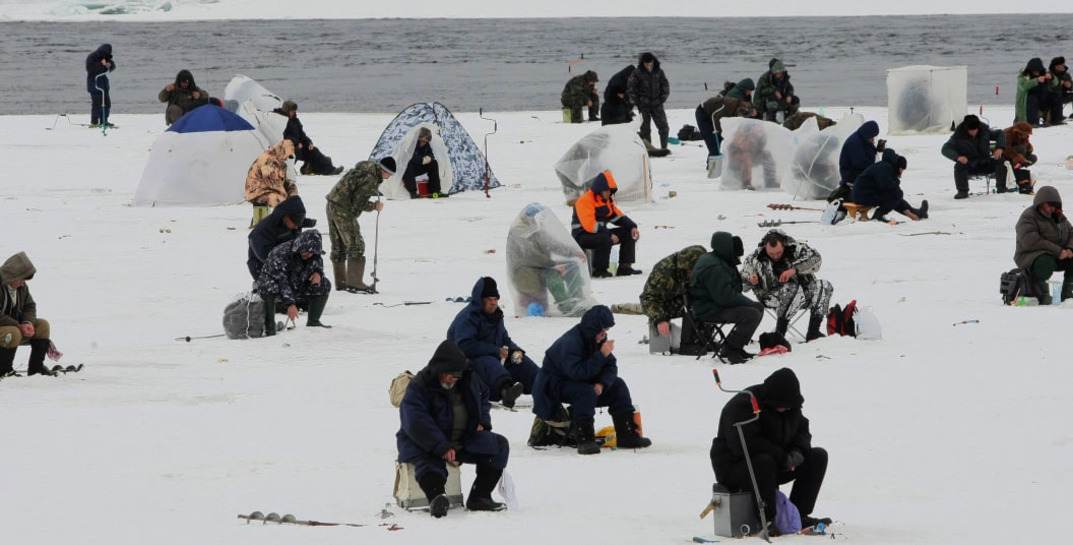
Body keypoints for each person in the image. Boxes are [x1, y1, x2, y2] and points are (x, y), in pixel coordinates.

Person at [396, 340, 509, 517]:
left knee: (499, 446)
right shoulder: (419, 386)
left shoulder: (468, 378)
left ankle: (480, 497)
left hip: (462, 438)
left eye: (457, 375)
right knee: (429, 462)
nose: (453, 379)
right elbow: (416, 421)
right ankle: (437, 497)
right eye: (449, 374)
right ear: (439, 370)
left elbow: (484, 395)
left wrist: (483, 421)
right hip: (425, 441)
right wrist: (441, 445)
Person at [710, 368, 831, 534]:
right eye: (781, 405)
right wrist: (782, 458)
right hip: (736, 467)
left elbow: (803, 431)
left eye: (789, 406)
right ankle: (767, 519)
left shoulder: (791, 406)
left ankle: (797, 515)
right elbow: (745, 445)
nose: (785, 409)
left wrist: (797, 452)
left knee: (818, 457)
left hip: (774, 465)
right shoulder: (744, 404)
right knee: (763, 461)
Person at [532, 305, 651, 455]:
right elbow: (577, 373)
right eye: (602, 331)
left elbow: (611, 366)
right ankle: (585, 439)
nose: (604, 334)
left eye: (606, 331)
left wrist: (602, 383)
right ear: (592, 328)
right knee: (585, 392)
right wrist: (601, 355)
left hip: (578, 381)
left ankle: (626, 436)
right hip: (553, 385)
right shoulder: (570, 342)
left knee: (618, 385)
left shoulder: (597, 339)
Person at [447, 277, 541, 408]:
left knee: (519, 360)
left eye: (495, 299)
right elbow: (464, 346)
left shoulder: (496, 317)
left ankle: (545, 386)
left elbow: (505, 340)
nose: (493, 303)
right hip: (467, 367)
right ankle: (506, 391)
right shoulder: (467, 318)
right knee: (488, 361)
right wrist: (495, 351)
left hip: (494, 361)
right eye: (489, 299)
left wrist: (516, 351)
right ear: (480, 300)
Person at [506, 202, 594, 317]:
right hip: (526, 271)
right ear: (528, 216)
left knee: (572, 266)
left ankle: (578, 301)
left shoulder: (535, 228)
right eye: (535, 215)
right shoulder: (519, 231)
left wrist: (574, 252)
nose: (539, 218)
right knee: (553, 275)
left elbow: (552, 244)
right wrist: (553, 265)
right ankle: (566, 307)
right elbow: (531, 256)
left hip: (542, 265)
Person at [741, 230, 832, 341]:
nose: (775, 256)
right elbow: (742, 277)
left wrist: (794, 270)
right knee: (791, 288)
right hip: (772, 297)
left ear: (783, 245)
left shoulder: (795, 248)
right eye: (771, 254)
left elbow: (816, 258)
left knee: (824, 285)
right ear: (765, 247)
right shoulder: (754, 259)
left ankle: (813, 331)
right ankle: (779, 334)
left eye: (779, 253)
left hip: (802, 293)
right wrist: (750, 278)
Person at [689, 232, 763, 364]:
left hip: (714, 304)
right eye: (736, 255)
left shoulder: (719, 259)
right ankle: (730, 349)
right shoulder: (714, 266)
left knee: (757, 308)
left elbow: (729, 289)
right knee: (752, 314)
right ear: (728, 250)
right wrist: (749, 303)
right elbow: (726, 297)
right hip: (707, 309)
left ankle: (735, 346)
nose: (737, 258)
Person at [326, 157, 393, 293]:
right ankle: (355, 282)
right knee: (356, 245)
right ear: (384, 171)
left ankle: (342, 282)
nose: (389, 177)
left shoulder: (365, 168)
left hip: (332, 203)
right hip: (343, 208)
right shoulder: (371, 178)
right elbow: (358, 203)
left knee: (339, 246)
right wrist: (374, 206)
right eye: (389, 174)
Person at [257, 230, 332, 334]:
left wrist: (318, 274)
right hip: (276, 292)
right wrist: (290, 304)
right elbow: (281, 281)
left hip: (296, 287)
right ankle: (269, 326)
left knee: (325, 283)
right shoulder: (280, 253)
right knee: (269, 285)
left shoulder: (313, 254)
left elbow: (318, 265)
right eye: (306, 251)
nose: (309, 255)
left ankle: (313, 322)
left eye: (312, 252)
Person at [571, 171, 641, 278]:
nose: (609, 193)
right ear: (599, 189)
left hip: (599, 232)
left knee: (628, 233)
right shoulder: (584, 201)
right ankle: (600, 270)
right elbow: (590, 226)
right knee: (604, 239)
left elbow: (617, 216)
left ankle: (625, 267)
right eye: (607, 191)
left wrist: (632, 226)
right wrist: (609, 234)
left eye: (610, 191)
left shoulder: (607, 200)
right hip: (582, 235)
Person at [1014, 186, 1073, 304]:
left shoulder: (1058, 216)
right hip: (1030, 256)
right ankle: (1035, 289)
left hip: (1055, 254)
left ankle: (1068, 295)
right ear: (1040, 203)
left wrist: (1070, 249)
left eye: (1054, 205)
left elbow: (1071, 232)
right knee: (1045, 263)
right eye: (1049, 205)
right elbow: (1031, 241)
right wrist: (1058, 251)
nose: (1052, 208)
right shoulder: (1028, 217)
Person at [1, 252, 54, 376]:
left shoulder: (21, 287)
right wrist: (18, 326)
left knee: (42, 325)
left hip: (15, 327)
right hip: (10, 330)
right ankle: (4, 371)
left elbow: (29, 306)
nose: (23, 282)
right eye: (21, 278)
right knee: (12, 332)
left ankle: (36, 369)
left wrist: (27, 322)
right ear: (12, 275)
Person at [639, 245, 707, 337]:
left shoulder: (699, 267)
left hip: (685, 300)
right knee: (662, 345)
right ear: (687, 268)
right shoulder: (663, 273)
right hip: (664, 307)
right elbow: (648, 298)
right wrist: (660, 320)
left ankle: (702, 338)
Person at [941, 114, 1007, 199]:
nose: (973, 132)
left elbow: (1000, 133)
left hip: (985, 162)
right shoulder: (957, 136)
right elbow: (945, 148)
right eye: (971, 130)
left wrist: (1000, 148)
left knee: (1001, 161)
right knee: (959, 165)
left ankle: (1001, 189)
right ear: (966, 128)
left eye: (975, 130)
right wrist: (958, 157)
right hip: (969, 164)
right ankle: (962, 191)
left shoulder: (985, 131)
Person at [852, 149, 928, 222]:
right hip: (863, 196)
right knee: (895, 195)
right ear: (898, 167)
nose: (901, 172)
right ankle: (878, 216)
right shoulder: (885, 168)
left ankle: (917, 212)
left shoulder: (884, 166)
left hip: (863, 194)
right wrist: (897, 189)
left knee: (895, 196)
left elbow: (887, 188)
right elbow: (886, 186)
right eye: (902, 169)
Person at [247, 195, 311, 281]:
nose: (297, 226)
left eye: (299, 222)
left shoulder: (292, 224)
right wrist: (294, 261)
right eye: (295, 222)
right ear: (286, 216)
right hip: (265, 271)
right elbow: (268, 258)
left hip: (289, 268)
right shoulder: (262, 231)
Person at [273, 101, 343, 176]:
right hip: (285, 148)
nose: (293, 113)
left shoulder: (295, 121)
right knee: (296, 151)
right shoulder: (279, 119)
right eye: (291, 111)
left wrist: (309, 143)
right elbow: (283, 135)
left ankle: (329, 170)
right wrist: (295, 143)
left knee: (314, 150)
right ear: (286, 110)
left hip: (299, 146)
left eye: (294, 111)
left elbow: (302, 135)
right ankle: (286, 173)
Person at [696, 79, 755, 157]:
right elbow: (717, 118)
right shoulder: (731, 103)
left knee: (718, 141)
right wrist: (722, 133)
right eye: (749, 90)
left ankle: (716, 162)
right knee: (714, 144)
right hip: (704, 114)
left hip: (715, 114)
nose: (750, 93)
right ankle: (713, 166)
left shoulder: (743, 99)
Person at [245, 139, 298, 226]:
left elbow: (282, 181)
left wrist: (292, 193)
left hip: (268, 188)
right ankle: (283, 223)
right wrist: (287, 199)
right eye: (287, 155)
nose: (286, 158)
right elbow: (273, 183)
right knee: (280, 200)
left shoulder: (280, 162)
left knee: (292, 190)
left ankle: (289, 220)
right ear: (282, 151)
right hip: (257, 191)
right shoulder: (268, 160)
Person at [628, 52, 671, 151]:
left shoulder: (659, 71)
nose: (648, 66)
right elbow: (631, 88)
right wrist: (637, 102)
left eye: (650, 63)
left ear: (653, 62)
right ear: (642, 63)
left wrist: (662, 99)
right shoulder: (637, 73)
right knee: (645, 129)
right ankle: (648, 149)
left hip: (657, 103)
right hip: (643, 105)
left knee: (664, 127)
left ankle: (664, 147)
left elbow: (665, 85)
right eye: (646, 64)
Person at [833, 120, 883, 202]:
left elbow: (867, 152)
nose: (873, 140)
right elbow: (860, 163)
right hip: (850, 174)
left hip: (859, 171)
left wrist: (877, 149)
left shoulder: (863, 138)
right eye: (872, 137)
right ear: (868, 134)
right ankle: (851, 195)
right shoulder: (854, 143)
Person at [724, 121, 778, 190]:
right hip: (737, 159)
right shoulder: (741, 135)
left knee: (767, 154)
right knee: (746, 157)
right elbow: (740, 148)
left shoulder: (760, 136)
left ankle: (770, 181)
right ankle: (746, 183)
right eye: (757, 128)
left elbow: (761, 147)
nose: (759, 129)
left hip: (753, 156)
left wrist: (759, 137)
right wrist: (749, 140)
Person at [1015, 58, 1059, 126]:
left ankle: (1055, 119)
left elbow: (1056, 83)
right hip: (1028, 104)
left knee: (1055, 95)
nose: (1037, 72)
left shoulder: (1044, 73)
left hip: (1042, 100)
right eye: (1034, 70)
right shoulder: (1023, 76)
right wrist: (1036, 81)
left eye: (1038, 70)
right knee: (1033, 99)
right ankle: (1033, 122)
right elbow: (1023, 87)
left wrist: (1052, 77)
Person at [401, 127, 444, 198]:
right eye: (423, 139)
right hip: (408, 170)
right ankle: (413, 192)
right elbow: (409, 157)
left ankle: (435, 191)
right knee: (408, 164)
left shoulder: (427, 145)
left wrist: (429, 158)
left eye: (426, 140)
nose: (424, 142)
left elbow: (431, 154)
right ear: (419, 137)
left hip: (418, 167)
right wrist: (422, 160)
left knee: (434, 163)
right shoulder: (411, 143)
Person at [85, 44, 116, 128]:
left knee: (106, 103)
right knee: (97, 103)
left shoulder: (105, 57)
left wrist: (108, 65)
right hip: (94, 84)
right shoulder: (91, 57)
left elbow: (112, 66)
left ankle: (104, 120)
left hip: (104, 84)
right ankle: (94, 122)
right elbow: (92, 70)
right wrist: (103, 65)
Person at [1002, 122, 1037, 194]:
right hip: (1007, 156)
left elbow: (1027, 147)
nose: (1027, 136)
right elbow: (1006, 149)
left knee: (1033, 158)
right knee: (1021, 148)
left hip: (1019, 155)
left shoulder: (1024, 136)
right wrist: (1018, 157)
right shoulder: (1008, 134)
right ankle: (1015, 166)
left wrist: (1029, 149)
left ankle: (1018, 165)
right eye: (1026, 134)